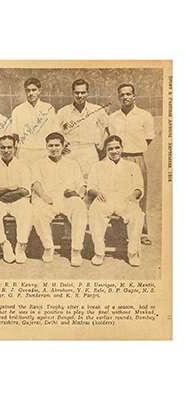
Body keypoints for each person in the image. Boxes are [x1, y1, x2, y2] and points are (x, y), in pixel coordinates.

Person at [108, 83, 155, 245]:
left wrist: (135, 149)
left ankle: (142, 232)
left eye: (128, 94)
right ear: (118, 97)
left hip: (137, 157)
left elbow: (149, 138)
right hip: (118, 159)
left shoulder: (145, 115)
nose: (125, 97)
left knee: (139, 195)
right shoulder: (113, 118)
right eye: (122, 95)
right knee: (117, 193)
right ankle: (119, 233)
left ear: (134, 96)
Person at [88, 135, 144, 267]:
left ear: (122, 148)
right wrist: (97, 192)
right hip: (104, 198)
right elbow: (91, 187)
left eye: (117, 147)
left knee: (137, 214)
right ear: (106, 150)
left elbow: (139, 187)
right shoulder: (97, 166)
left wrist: (133, 195)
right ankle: (99, 252)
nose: (114, 151)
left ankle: (132, 253)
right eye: (110, 148)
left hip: (125, 199)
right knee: (95, 213)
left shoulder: (132, 166)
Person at [32, 132, 87, 266]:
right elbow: (36, 183)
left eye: (57, 145)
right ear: (46, 146)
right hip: (47, 197)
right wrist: (45, 197)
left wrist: (78, 195)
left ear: (63, 146)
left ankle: (76, 250)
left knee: (80, 207)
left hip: (67, 198)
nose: (54, 148)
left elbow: (82, 185)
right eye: (50, 145)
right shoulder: (39, 164)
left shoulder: (72, 163)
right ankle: (48, 247)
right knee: (38, 211)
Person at [0, 135, 32, 263]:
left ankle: (21, 246)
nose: (6, 150)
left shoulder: (23, 167)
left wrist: (0, 191)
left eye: (9, 147)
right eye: (3, 147)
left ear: (15, 148)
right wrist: (7, 189)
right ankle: (4, 245)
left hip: (18, 201)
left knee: (27, 208)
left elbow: (24, 190)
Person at [57, 79, 109, 179]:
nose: (80, 96)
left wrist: (102, 143)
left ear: (88, 93)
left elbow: (107, 128)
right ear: (72, 93)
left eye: (83, 92)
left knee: (90, 182)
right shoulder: (63, 111)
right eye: (77, 92)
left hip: (89, 151)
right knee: (69, 180)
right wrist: (62, 145)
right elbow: (55, 131)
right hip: (70, 151)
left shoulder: (97, 110)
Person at [11, 78, 58, 168]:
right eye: (28, 90)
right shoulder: (18, 110)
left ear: (39, 91)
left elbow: (54, 133)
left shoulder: (48, 109)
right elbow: (15, 136)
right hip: (24, 152)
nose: (31, 93)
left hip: (43, 151)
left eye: (34, 90)